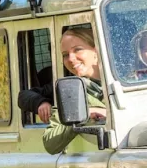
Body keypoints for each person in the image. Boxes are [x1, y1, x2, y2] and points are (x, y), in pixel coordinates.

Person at [40, 25, 108, 155]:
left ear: (96, 51)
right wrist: (82, 117)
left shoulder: (126, 80)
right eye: (65, 55)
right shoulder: (70, 91)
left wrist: (107, 114)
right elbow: (50, 143)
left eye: (78, 50)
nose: (70, 59)